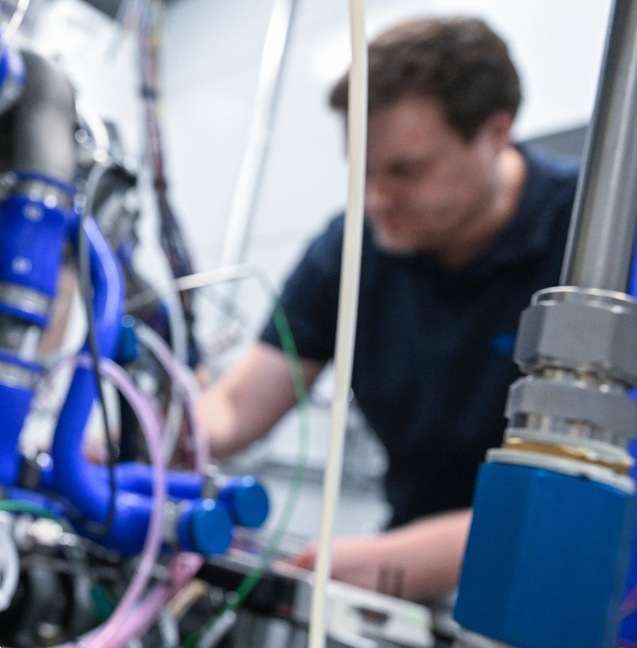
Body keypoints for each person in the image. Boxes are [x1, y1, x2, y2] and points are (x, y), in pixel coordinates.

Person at [196, 16, 580, 602]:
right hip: (408, 578)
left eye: (405, 171)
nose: (375, 199)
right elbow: (234, 409)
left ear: (496, 132)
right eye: (362, 170)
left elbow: (623, 487)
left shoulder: (600, 240)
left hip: (564, 583)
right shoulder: (352, 248)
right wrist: (139, 434)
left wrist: (420, 557)